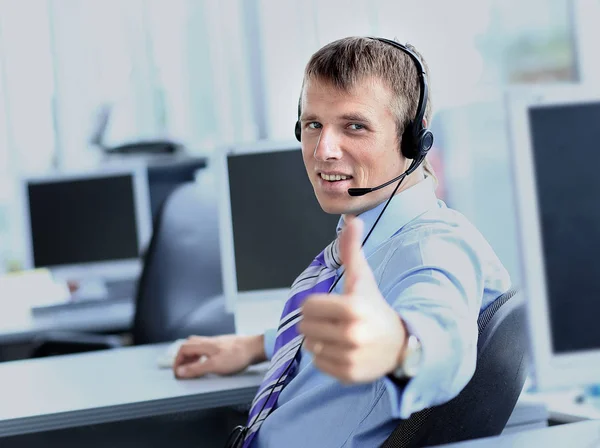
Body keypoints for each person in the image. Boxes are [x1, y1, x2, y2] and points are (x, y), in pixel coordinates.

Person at [173, 36, 511, 447]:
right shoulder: (370, 240)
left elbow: (441, 343)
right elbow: (349, 326)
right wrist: (256, 346)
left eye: (355, 126)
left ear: (413, 139)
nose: (323, 150)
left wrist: (397, 350)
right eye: (314, 124)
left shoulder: (434, 248)